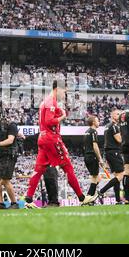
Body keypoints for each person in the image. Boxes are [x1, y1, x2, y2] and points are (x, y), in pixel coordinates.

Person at [24, 80, 96, 208]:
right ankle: (82, 197)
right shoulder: (51, 101)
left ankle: (28, 199)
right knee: (68, 167)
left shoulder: (44, 102)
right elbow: (49, 121)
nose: (64, 94)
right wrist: (63, 116)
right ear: (57, 89)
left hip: (42, 138)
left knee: (38, 170)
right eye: (64, 91)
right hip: (52, 138)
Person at [0, 118, 20, 210]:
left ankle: (14, 203)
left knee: (5, 180)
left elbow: (10, 140)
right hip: (0, 155)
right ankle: (0, 204)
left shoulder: (12, 125)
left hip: (9, 155)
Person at [98, 109, 125, 204]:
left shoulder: (107, 126)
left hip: (109, 153)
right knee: (121, 175)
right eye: (118, 114)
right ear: (113, 116)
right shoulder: (113, 126)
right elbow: (119, 139)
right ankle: (102, 191)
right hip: (114, 152)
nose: (120, 115)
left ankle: (118, 200)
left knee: (117, 176)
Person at [83, 116, 104, 203]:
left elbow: (84, 146)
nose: (99, 122)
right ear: (93, 123)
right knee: (94, 179)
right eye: (97, 121)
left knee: (97, 178)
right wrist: (100, 159)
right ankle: (88, 198)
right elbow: (95, 146)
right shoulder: (93, 131)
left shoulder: (86, 132)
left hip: (87, 156)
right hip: (92, 156)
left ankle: (89, 198)